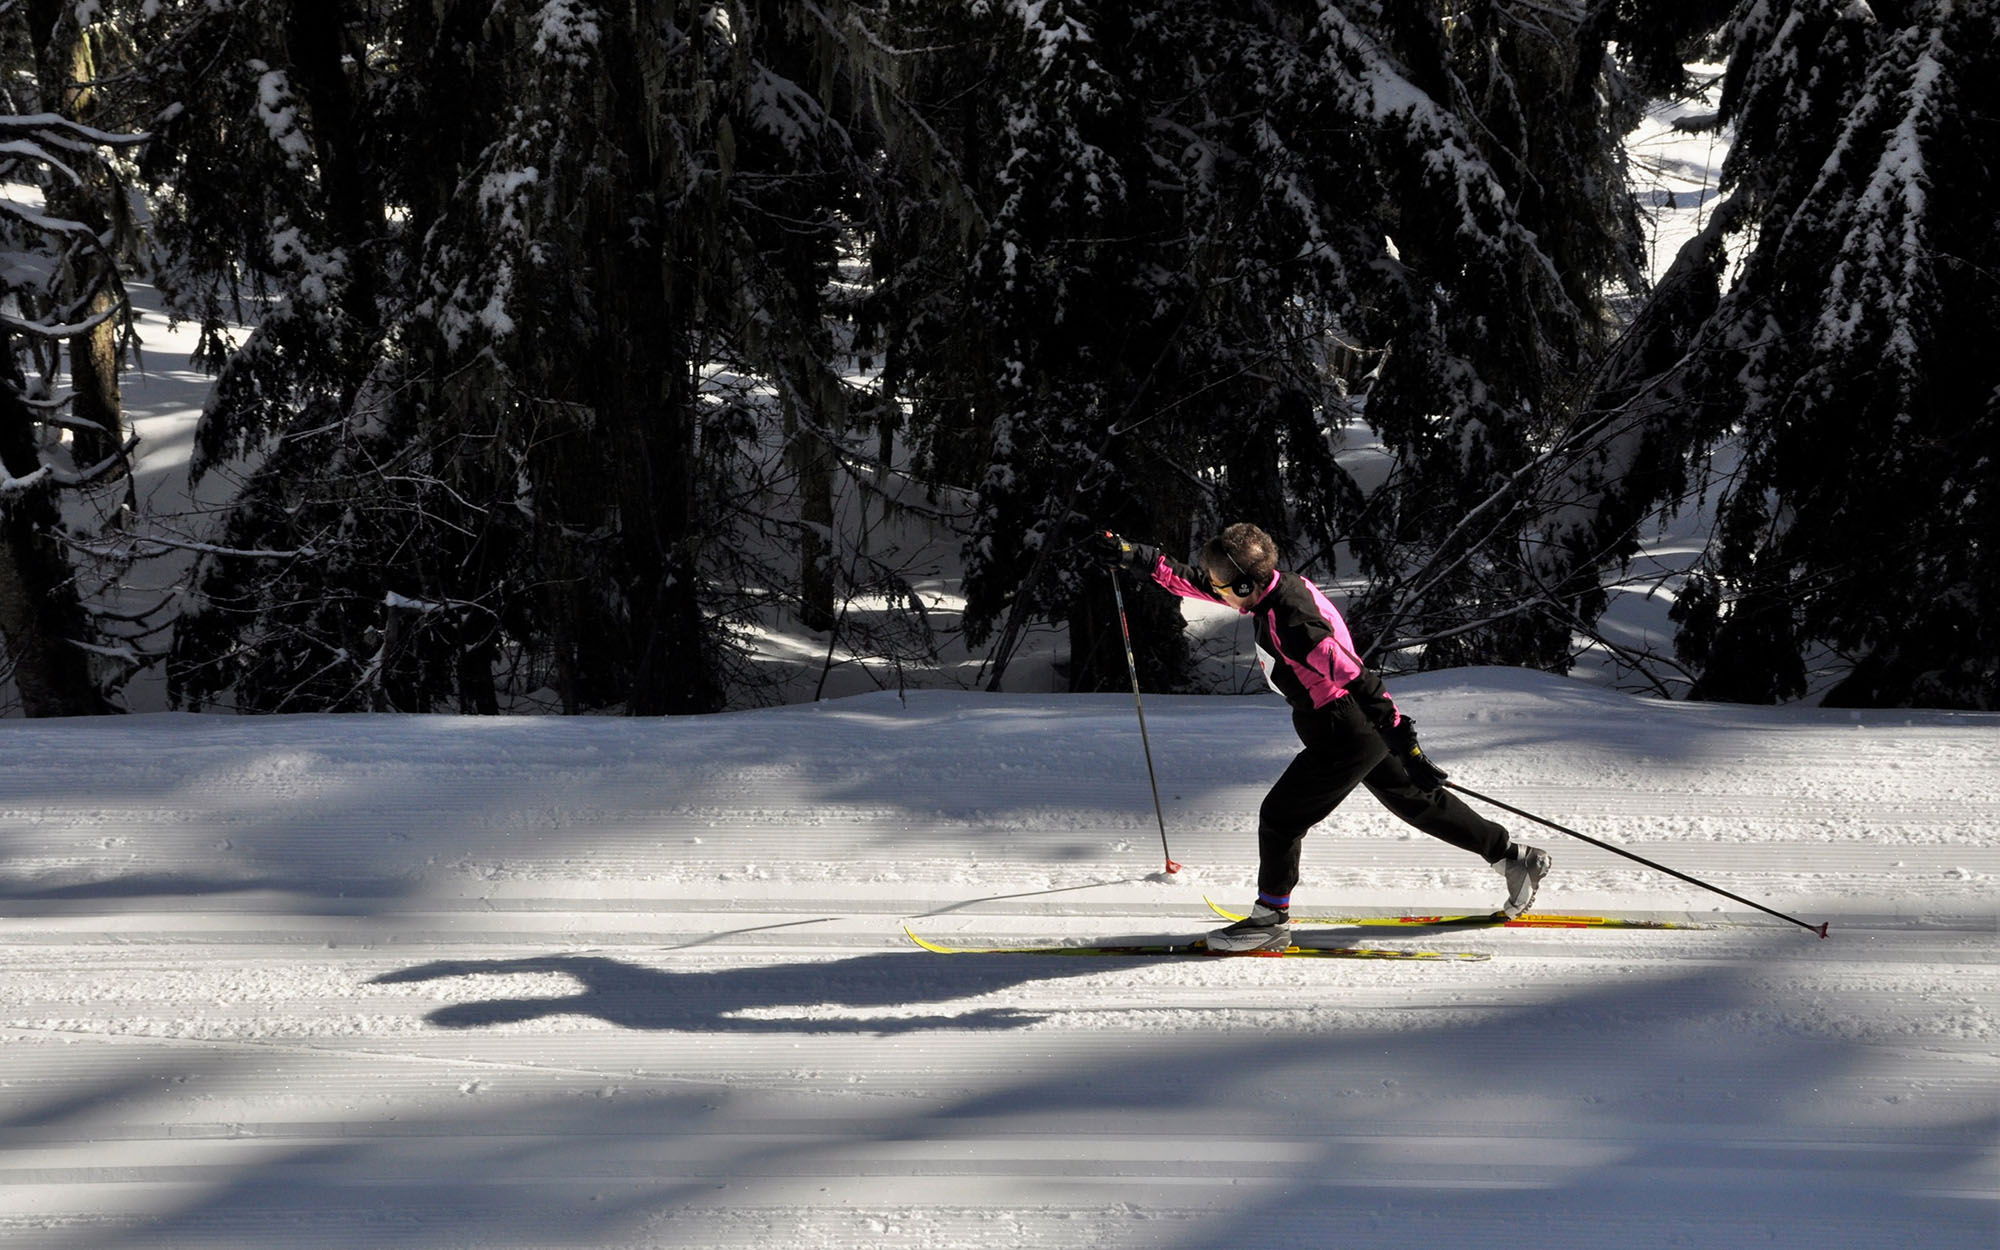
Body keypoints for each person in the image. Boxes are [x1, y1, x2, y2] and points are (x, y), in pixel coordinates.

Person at [1090, 521, 1551, 952]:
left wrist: (1404, 743)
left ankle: (1270, 920)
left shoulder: (1292, 624)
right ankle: (1512, 857)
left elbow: (1357, 677)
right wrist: (1136, 557)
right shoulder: (1275, 587)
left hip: (1343, 730)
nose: (1214, 590)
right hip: (1348, 726)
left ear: (1246, 584)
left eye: (1223, 584)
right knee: (1417, 801)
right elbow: (1198, 580)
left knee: (1281, 817)